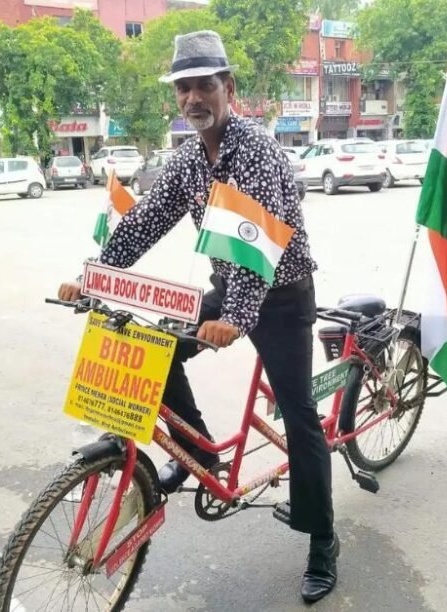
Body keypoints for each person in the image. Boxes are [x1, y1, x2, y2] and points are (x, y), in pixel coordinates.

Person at [57, 31, 338, 603]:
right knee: (151, 355)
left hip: (280, 297)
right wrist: (91, 277)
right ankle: (202, 455)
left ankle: (323, 538)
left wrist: (236, 317)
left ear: (227, 88)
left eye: (204, 86)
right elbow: (141, 223)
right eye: (184, 88)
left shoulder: (255, 150)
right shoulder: (186, 159)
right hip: (225, 290)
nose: (193, 99)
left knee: (299, 416)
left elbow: (257, 245)